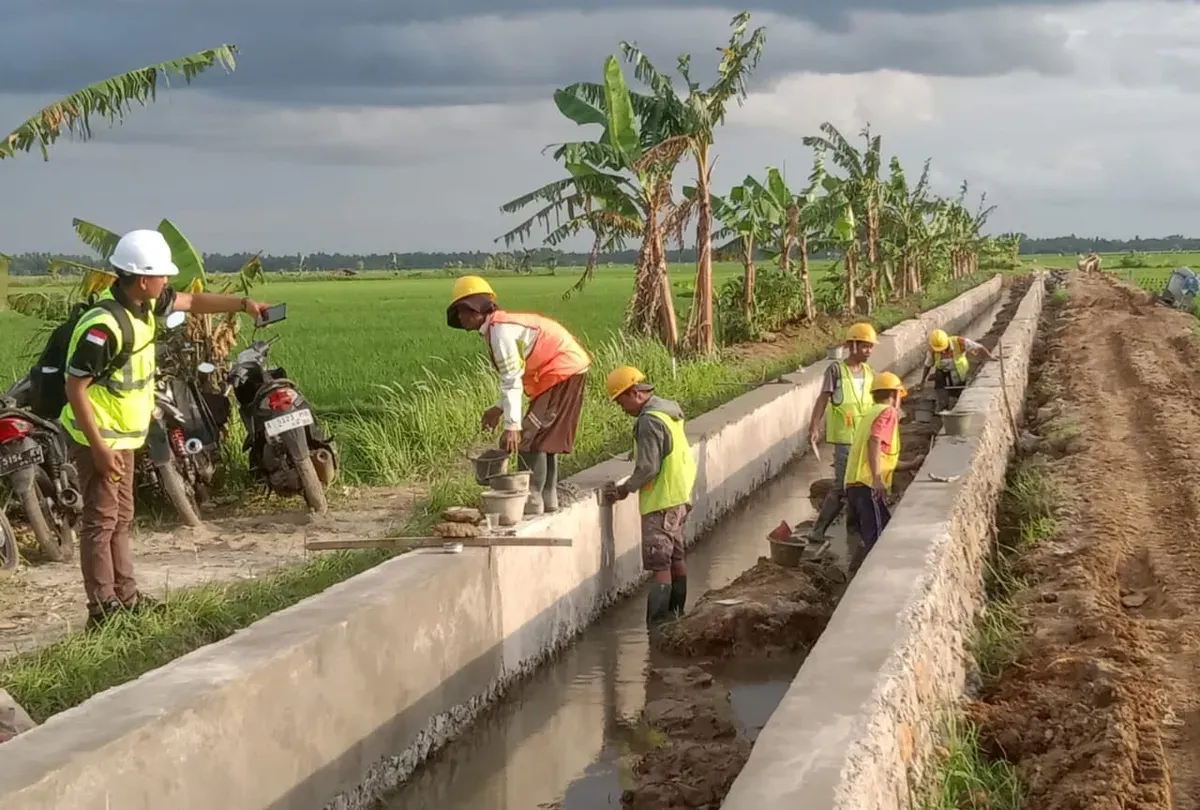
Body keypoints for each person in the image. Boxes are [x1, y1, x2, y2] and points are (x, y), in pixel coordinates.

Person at [62, 229, 270, 629]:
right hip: (100, 437)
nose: (167, 283)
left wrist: (244, 304)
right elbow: (75, 388)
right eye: (162, 276)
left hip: (123, 436)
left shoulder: (145, 306)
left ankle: (127, 596)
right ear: (143, 279)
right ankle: (102, 610)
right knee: (101, 521)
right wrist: (100, 448)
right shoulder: (104, 325)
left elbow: (192, 302)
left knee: (121, 518)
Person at [446, 275, 591, 516]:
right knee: (544, 438)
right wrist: (499, 407)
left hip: (561, 371)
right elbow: (516, 376)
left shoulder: (500, 332)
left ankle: (532, 499)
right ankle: (547, 497)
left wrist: (512, 425)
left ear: (474, 310)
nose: (460, 319)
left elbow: (512, 378)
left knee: (528, 436)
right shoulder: (498, 327)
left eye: (461, 312)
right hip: (561, 372)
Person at [602, 366, 696, 629]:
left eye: (621, 401)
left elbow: (648, 467)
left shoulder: (649, 421)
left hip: (661, 501)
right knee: (676, 558)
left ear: (634, 393)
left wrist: (624, 489)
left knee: (660, 564)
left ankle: (657, 628)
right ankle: (677, 617)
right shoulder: (668, 413)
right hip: (679, 497)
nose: (622, 408)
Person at [842, 371, 926, 572]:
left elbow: (882, 455)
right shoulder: (888, 413)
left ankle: (856, 572)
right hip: (868, 484)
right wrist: (878, 479)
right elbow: (875, 442)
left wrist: (911, 464)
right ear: (895, 395)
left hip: (855, 485)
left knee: (877, 530)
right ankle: (870, 578)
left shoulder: (870, 414)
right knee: (879, 539)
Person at [806, 322, 878, 541]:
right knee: (842, 486)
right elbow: (823, 398)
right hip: (845, 438)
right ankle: (818, 530)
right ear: (852, 345)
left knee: (860, 484)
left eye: (870, 346)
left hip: (864, 437)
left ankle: (853, 528)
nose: (869, 351)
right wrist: (814, 426)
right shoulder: (836, 370)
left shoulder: (867, 372)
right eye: (865, 346)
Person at [921, 329, 996, 410]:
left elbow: (979, 347)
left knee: (958, 390)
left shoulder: (959, 342)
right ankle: (943, 405)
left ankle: (958, 400)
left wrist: (990, 357)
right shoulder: (932, 350)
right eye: (939, 350)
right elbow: (927, 365)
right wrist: (922, 381)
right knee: (939, 379)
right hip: (943, 372)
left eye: (943, 348)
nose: (942, 351)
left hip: (959, 371)